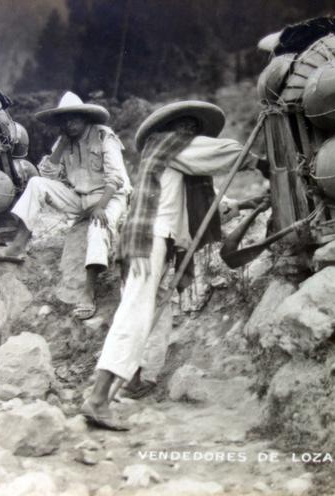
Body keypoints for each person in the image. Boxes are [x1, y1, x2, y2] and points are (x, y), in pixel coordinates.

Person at [81, 100, 261, 430]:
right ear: (176, 130)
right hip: (150, 241)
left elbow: (209, 202)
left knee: (145, 314)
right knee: (134, 316)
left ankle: (128, 384)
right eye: (188, 128)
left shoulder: (169, 161)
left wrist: (250, 202)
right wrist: (260, 161)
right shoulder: (171, 145)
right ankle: (97, 399)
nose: (191, 133)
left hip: (150, 241)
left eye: (193, 128)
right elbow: (231, 152)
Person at [0, 92, 130, 320]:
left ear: (85, 118)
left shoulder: (104, 137)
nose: (70, 124)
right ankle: (18, 245)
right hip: (80, 198)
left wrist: (101, 207)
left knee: (96, 228)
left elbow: (116, 179)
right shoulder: (64, 141)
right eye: (65, 120)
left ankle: (88, 293)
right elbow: (46, 173)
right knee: (36, 183)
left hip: (109, 197)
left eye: (75, 118)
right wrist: (62, 145)